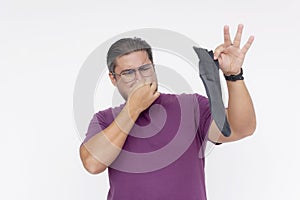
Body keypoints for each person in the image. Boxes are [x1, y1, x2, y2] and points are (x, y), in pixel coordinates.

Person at [79, 24, 256, 200]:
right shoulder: (104, 119)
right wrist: (133, 109)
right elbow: (93, 164)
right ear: (113, 78)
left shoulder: (190, 106)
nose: (139, 78)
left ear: (153, 68)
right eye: (128, 73)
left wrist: (234, 75)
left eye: (145, 68)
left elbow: (241, 128)